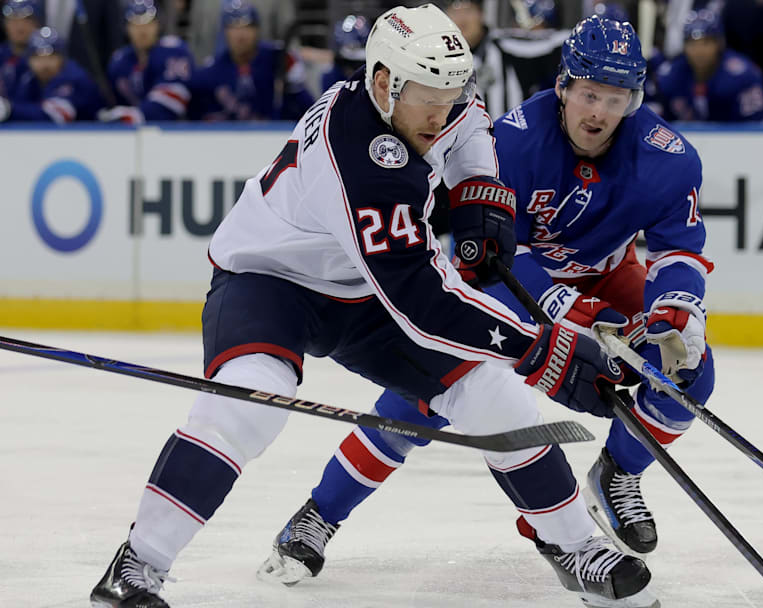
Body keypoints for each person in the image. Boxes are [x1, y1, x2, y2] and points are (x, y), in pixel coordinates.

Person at [88, 5, 655, 608]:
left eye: (451, 93)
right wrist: (545, 348)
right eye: (428, 99)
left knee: (492, 394)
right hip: (272, 280)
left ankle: (573, 544)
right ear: (383, 83)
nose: (442, 113)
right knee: (248, 404)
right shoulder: (355, 153)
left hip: (363, 290)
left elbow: (470, 125)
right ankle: (137, 565)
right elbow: (423, 302)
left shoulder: (435, 98)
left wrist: (478, 193)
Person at [257, 13, 714, 588]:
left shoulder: (668, 158)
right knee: (421, 396)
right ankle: (319, 514)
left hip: (602, 277)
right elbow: (492, 259)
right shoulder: (513, 141)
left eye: (616, 98)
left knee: (689, 371)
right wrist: (565, 314)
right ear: (565, 85)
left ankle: (618, 470)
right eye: (590, 93)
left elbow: (679, 251)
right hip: (511, 284)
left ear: (635, 99)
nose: (599, 111)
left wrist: (676, 308)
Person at [187, 0, 312, 121]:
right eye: (234, 27)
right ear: (225, 31)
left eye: (247, 27)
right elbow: (194, 119)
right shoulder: (210, 71)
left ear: (257, 30)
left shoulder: (280, 59)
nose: (241, 35)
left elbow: (307, 108)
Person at [446, 0, 568, 120]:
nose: (461, 18)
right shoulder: (439, 58)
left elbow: (554, 42)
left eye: (467, 10)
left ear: (481, 13)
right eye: (454, 11)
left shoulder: (507, 46)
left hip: (509, 136)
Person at [648, 9, 763, 122]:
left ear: (720, 44)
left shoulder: (743, 76)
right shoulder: (670, 76)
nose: (699, 50)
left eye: (706, 43)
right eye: (692, 43)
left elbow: (757, 126)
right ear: (684, 47)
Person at [0, 26, 102, 127]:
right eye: (38, 57)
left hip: (95, 137)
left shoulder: (74, 77)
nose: (45, 64)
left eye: (51, 57)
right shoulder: (28, 78)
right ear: (29, 60)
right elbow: (21, 104)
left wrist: (7, 109)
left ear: (62, 59)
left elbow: (58, 113)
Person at [99, 0, 194, 124]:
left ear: (158, 25)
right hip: (132, 135)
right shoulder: (119, 62)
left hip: (177, 132)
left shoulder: (174, 51)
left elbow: (171, 102)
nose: (142, 31)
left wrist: (133, 116)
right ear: (127, 28)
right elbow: (113, 105)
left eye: (148, 23)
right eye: (136, 24)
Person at [0, 0, 38, 100]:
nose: (20, 27)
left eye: (26, 19)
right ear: (4, 25)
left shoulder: (46, 58)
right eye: (13, 20)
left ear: (36, 23)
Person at [319, 14, 369, 94]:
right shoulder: (330, 78)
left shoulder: (372, 78)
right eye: (349, 62)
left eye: (361, 63)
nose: (355, 70)